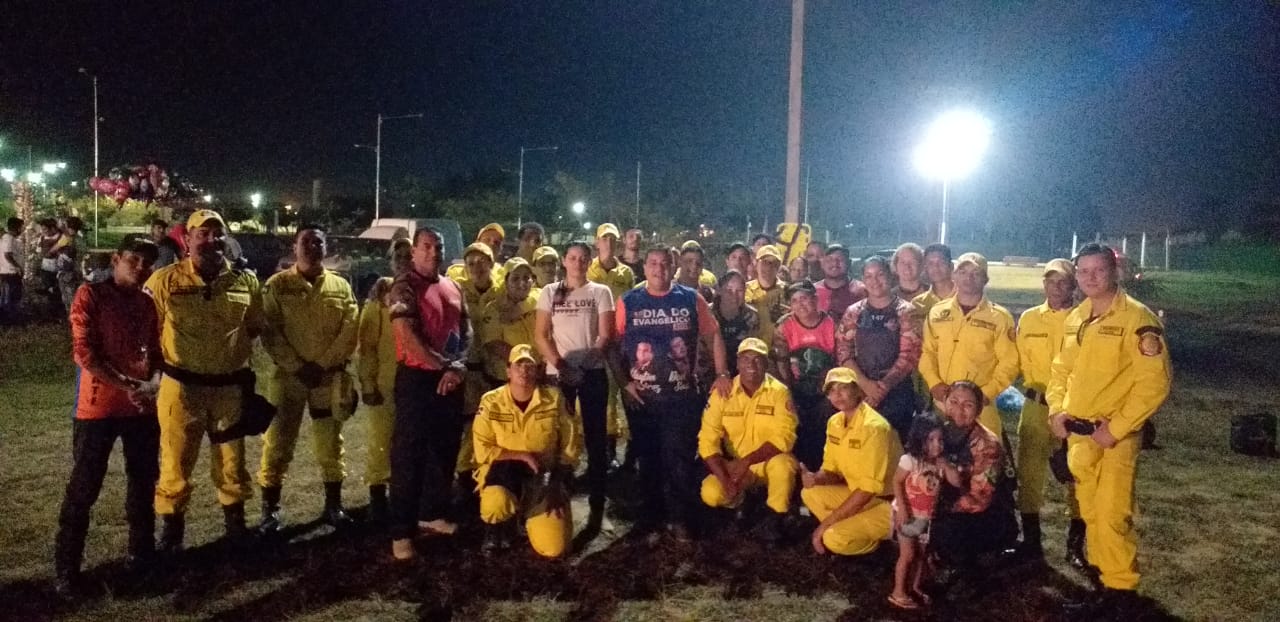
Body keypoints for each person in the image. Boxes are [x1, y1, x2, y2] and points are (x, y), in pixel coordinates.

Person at [1049, 243, 1171, 611]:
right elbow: (1061, 370)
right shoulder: (1077, 318)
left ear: (1114, 272)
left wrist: (1116, 428)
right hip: (1080, 436)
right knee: (1090, 512)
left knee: (1112, 515)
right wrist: (1057, 410)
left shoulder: (1138, 319)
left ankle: (1122, 594)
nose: (1089, 278)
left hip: (1115, 438)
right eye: (1083, 271)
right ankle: (1104, 586)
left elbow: (1155, 383)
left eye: (1098, 270)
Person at [145, 209, 264, 551]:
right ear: (188, 239)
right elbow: (148, 330)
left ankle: (235, 527)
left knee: (232, 460)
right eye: (203, 233)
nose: (211, 240)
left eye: (218, 234)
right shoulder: (165, 280)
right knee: (175, 461)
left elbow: (255, 327)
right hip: (181, 389)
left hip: (229, 389)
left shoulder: (246, 282)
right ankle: (171, 533)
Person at [54, 238, 162, 598]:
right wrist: (127, 382)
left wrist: (153, 382)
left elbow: (157, 353)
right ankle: (67, 570)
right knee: (84, 490)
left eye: (148, 262)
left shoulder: (148, 304)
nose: (141, 267)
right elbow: (84, 353)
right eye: (134, 259)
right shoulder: (91, 295)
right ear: (116, 259)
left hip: (141, 410)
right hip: (96, 410)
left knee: (143, 485)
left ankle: (142, 556)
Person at [613, 246, 731, 541]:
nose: (659, 269)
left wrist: (721, 372)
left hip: (681, 396)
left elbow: (713, 334)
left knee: (678, 459)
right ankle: (650, 516)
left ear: (673, 266)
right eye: (653, 263)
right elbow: (611, 345)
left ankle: (679, 517)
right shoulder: (629, 301)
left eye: (665, 264)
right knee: (648, 458)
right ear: (645, 268)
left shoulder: (691, 299)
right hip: (643, 398)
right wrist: (623, 382)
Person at [257, 226, 360, 533]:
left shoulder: (341, 286)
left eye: (319, 241)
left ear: (326, 247)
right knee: (277, 442)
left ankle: (333, 506)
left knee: (331, 443)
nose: (313, 246)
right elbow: (269, 332)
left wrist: (323, 364)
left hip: (328, 380)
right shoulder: (277, 285)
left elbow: (350, 327)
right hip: (288, 379)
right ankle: (270, 511)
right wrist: (298, 366)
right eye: (307, 241)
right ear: (295, 246)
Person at [386, 227, 471, 560]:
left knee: (444, 451)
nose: (433, 252)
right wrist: (444, 368)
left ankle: (432, 513)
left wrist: (459, 366)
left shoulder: (453, 286)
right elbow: (406, 336)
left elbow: (466, 330)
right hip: (418, 381)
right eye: (426, 246)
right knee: (409, 456)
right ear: (415, 251)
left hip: (450, 377)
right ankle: (401, 531)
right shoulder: (403, 287)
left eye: (439, 246)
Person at [471, 344, 579, 557]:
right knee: (496, 502)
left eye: (529, 365)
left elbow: (570, 444)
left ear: (538, 371)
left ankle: (529, 517)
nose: (524, 370)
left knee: (554, 549)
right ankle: (497, 530)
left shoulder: (555, 398)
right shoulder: (491, 401)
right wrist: (520, 456)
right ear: (508, 370)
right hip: (502, 475)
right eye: (518, 365)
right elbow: (482, 450)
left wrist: (557, 482)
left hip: (542, 478)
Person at [1011, 258, 1084, 564]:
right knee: (1029, 474)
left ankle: (1076, 545)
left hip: (1074, 410)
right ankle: (1032, 542)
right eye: (1050, 280)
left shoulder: (1085, 319)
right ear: (1043, 284)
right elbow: (1018, 361)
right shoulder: (1028, 319)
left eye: (1063, 281)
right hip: (1036, 406)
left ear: (1073, 285)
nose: (1056, 286)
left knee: (1077, 476)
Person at [535, 240, 615, 517]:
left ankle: (597, 496)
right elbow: (541, 335)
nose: (578, 263)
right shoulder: (549, 292)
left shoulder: (600, 292)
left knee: (595, 435)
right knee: (557, 434)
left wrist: (589, 361)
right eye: (572, 257)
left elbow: (606, 335)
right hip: (559, 373)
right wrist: (561, 365)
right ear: (564, 260)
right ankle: (556, 492)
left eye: (583, 258)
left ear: (589, 261)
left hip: (592, 372)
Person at [697, 338, 797, 542]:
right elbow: (707, 440)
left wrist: (747, 461)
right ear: (737, 363)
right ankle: (741, 501)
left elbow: (785, 438)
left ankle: (775, 518)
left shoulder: (779, 392)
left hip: (766, 462)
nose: (751, 365)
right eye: (746, 359)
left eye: (758, 360)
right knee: (711, 493)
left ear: (766, 364)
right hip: (735, 465)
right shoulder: (722, 393)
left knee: (784, 466)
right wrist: (726, 479)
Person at [799, 367, 902, 556]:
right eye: (831, 390)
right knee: (810, 492)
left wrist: (825, 525)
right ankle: (852, 527)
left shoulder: (874, 428)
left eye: (843, 388)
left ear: (857, 390)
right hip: (858, 495)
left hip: (885, 501)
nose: (837, 395)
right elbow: (831, 470)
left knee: (833, 538)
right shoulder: (835, 422)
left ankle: (876, 543)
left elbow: (868, 489)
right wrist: (815, 478)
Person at [918, 252, 1019, 436]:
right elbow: (928, 353)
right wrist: (934, 384)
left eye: (975, 273)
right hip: (942, 404)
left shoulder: (1000, 318)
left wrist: (985, 395)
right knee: (939, 459)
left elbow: (1009, 363)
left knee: (984, 461)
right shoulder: (937, 312)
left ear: (985, 279)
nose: (968, 278)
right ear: (954, 275)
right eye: (963, 272)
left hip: (981, 408)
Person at [928, 380, 1015, 569]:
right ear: (945, 402)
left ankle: (970, 564)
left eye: (968, 405)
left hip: (981, 513)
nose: (959, 410)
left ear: (978, 411)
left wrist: (931, 513)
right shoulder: (936, 433)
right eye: (954, 402)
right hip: (944, 503)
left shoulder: (987, 445)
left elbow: (978, 500)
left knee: (942, 531)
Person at [357, 239, 412, 523]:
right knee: (381, 442)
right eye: (398, 255)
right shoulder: (380, 295)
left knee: (409, 443)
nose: (403, 259)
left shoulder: (422, 289)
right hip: (385, 383)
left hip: (414, 386)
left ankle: (403, 496)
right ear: (390, 260)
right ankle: (377, 498)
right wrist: (367, 383)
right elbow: (367, 345)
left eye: (408, 254)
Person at [836, 256, 922, 440]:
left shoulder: (906, 311)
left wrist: (883, 387)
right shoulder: (854, 312)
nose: (875, 281)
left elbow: (909, 356)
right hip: (860, 390)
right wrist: (865, 385)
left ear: (890, 276)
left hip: (896, 392)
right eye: (869, 276)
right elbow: (844, 350)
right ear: (863, 280)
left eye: (880, 274)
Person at [772, 280, 839, 471]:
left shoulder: (832, 324)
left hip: (826, 393)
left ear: (815, 299)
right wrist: (789, 394)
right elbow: (779, 362)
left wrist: (830, 396)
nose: (800, 304)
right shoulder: (784, 326)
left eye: (805, 299)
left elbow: (841, 362)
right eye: (794, 300)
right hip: (796, 391)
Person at [585, 223, 636, 471]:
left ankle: (626, 453)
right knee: (603, 400)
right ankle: (603, 453)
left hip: (619, 344)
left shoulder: (626, 273)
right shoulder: (588, 270)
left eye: (613, 239)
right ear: (597, 242)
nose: (609, 243)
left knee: (622, 396)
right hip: (594, 344)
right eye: (604, 239)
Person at [454, 242, 502, 491]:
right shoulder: (458, 290)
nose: (476, 267)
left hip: (495, 372)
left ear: (492, 263)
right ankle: (465, 476)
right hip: (468, 369)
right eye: (471, 263)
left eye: (482, 262)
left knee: (492, 425)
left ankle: (488, 475)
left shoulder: (501, 293)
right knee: (468, 424)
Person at [888, 413, 948, 611]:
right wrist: (903, 509)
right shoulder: (910, 460)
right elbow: (896, 481)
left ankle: (915, 587)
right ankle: (898, 592)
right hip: (908, 515)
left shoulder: (939, 464)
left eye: (940, 439)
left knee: (922, 554)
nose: (936, 445)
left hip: (925, 517)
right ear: (919, 439)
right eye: (930, 439)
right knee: (908, 554)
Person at [481, 257, 539, 383]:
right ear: (506, 282)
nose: (522, 283)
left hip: (537, 375)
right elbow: (494, 344)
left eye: (526, 278)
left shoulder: (539, 298)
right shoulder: (494, 308)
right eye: (515, 278)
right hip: (506, 378)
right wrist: (525, 365)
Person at [712, 270, 761, 377]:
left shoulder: (751, 315)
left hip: (741, 371)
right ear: (720, 291)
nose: (734, 296)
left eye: (739, 291)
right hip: (711, 370)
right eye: (729, 290)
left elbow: (752, 349)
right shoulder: (708, 313)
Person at [745, 244, 787, 345]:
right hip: (752, 347)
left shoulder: (787, 291)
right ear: (755, 263)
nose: (768, 267)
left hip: (778, 349)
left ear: (778, 267)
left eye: (773, 263)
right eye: (764, 262)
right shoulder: (745, 289)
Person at [815, 244, 867, 321]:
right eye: (829, 260)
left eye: (840, 259)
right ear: (822, 264)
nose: (835, 263)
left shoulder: (862, 290)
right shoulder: (812, 291)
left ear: (849, 263)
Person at [912, 244, 956, 313]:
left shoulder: (965, 296)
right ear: (925, 268)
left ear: (951, 266)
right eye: (930, 263)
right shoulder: (918, 303)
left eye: (941, 262)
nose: (936, 267)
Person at [38, 219, 62, 305]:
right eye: (42, 229)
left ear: (52, 228)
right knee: (48, 288)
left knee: (58, 289)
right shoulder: (42, 237)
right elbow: (39, 250)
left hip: (58, 267)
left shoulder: (62, 237)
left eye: (45, 229)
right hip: (46, 267)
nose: (43, 231)